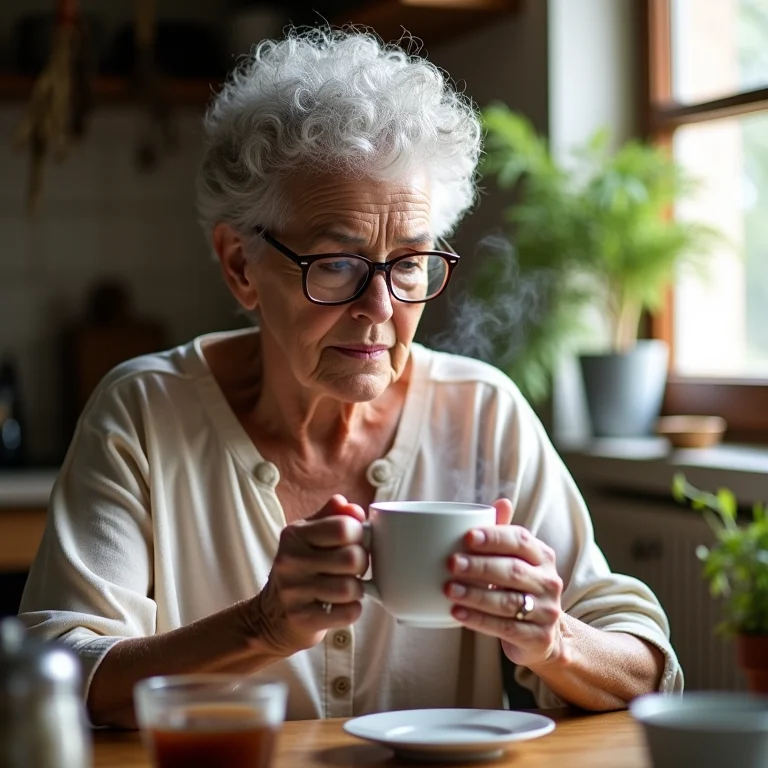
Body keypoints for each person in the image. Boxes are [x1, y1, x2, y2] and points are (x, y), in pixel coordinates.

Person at [18, 28, 682, 728]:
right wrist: (262, 627)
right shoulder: (145, 413)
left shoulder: (483, 411)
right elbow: (55, 674)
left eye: (408, 263)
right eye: (335, 263)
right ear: (241, 266)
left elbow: (648, 668)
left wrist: (553, 639)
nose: (381, 309)